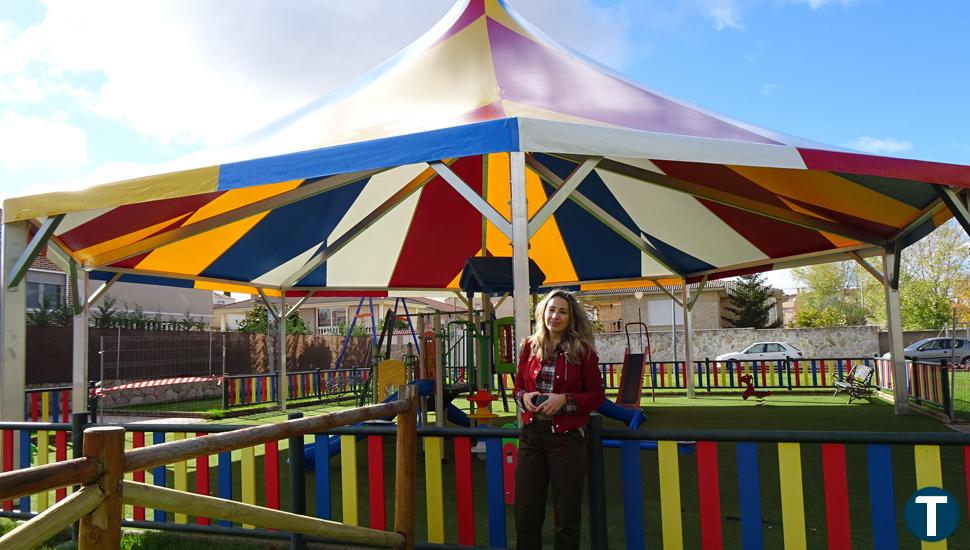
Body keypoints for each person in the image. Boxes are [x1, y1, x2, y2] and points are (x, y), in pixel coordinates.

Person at [513, 289, 605, 550]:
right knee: (526, 515)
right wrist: (525, 397)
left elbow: (597, 395)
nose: (555, 316)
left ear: (571, 317)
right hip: (531, 437)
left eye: (562, 311)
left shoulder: (582, 351)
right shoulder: (530, 346)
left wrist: (565, 399)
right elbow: (517, 388)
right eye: (551, 309)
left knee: (566, 517)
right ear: (543, 312)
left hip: (566, 440)